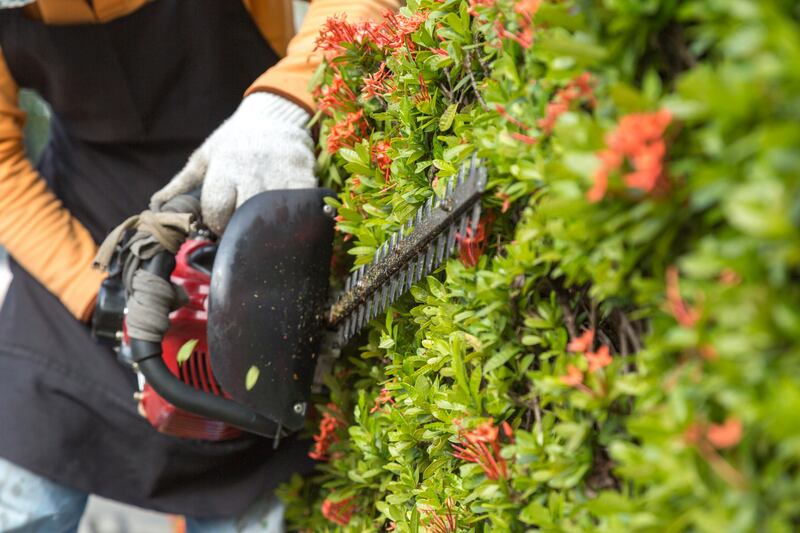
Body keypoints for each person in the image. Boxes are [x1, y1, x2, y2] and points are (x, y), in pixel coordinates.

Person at [0, 0, 398, 530]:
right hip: (89, 217)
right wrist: (98, 292)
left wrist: (284, 105)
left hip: (253, 171)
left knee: (245, 472)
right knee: (26, 491)